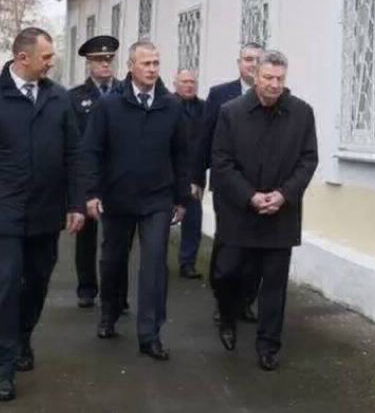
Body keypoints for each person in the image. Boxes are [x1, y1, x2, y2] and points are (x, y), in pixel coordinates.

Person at [0, 28, 85, 402]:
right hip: (4, 208)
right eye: (46, 57)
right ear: (22, 58)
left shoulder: (58, 97)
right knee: (7, 282)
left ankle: (22, 336)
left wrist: (77, 204)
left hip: (47, 209)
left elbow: (75, 155)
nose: (51, 63)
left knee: (38, 279)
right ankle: (2, 367)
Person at [82, 41, 191, 361]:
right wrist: (91, 192)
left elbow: (181, 154)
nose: (152, 69)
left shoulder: (171, 106)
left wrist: (181, 198)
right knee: (113, 260)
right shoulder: (109, 106)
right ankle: (109, 312)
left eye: (156, 63)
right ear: (130, 67)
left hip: (157, 199)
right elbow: (91, 151)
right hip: (117, 198)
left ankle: (150, 334)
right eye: (146, 63)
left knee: (155, 264)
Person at [210, 50, 318, 371]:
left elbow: (308, 160)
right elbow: (221, 162)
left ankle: (268, 345)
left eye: (280, 79)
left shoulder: (301, 113)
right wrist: (250, 196)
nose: (274, 84)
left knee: (273, 284)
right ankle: (227, 316)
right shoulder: (231, 112)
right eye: (268, 78)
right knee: (227, 272)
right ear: (255, 77)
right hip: (239, 212)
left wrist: (284, 195)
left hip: (280, 214)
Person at [194, 42, 263, 323]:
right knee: (227, 244)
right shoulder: (220, 94)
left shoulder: (272, 96)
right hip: (226, 186)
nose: (253, 64)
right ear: (239, 63)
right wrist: (197, 177)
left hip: (260, 187)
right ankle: (222, 300)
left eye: (258, 59)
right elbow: (205, 138)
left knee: (255, 248)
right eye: (248, 59)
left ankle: (246, 300)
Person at [66, 34, 123, 309]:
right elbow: (72, 140)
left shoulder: (125, 92)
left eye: (109, 59)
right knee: (86, 235)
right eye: (99, 60)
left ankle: (117, 293)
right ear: (88, 63)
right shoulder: (75, 97)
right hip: (88, 175)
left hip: (119, 174)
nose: (105, 64)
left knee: (118, 238)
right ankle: (86, 287)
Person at [172, 69, 205, 280]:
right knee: (162, 222)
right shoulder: (166, 105)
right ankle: (156, 262)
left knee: (193, 223)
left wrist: (196, 179)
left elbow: (204, 147)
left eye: (192, 82)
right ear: (175, 84)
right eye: (184, 81)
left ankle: (187, 263)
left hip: (194, 177)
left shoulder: (205, 108)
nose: (189, 85)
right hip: (168, 176)